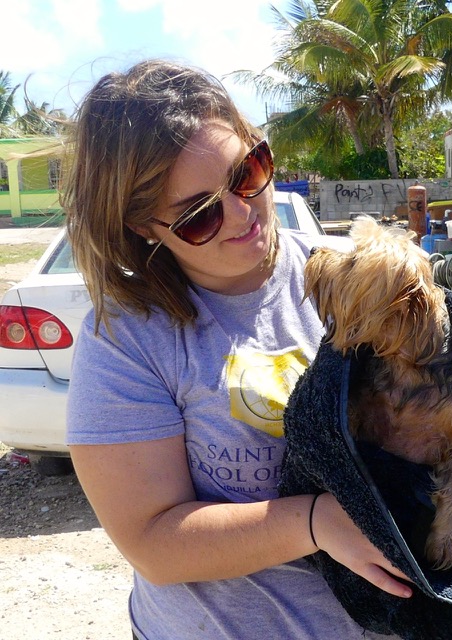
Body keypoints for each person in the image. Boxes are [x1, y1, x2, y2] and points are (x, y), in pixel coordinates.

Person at [64, 59, 412, 640]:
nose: (241, 213)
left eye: (247, 172)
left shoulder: (352, 275)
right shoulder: (126, 339)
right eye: (197, 216)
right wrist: (312, 522)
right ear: (145, 227)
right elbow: (154, 545)